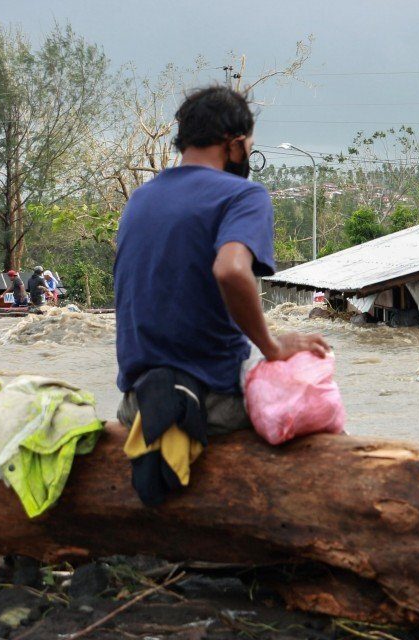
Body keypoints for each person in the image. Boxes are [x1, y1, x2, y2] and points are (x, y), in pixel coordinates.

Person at [114, 85, 329, 434]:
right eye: (250, 146)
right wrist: (273, 347)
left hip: (137, 404)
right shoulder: (243, 196)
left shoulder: (140, 199)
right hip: (209, 401)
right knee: (316, 402)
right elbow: (230, 270)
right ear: (235, 143)